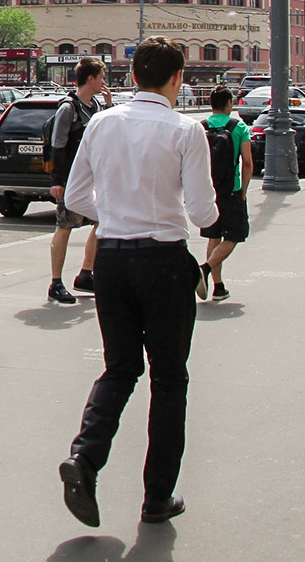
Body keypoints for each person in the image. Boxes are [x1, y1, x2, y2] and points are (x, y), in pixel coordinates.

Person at [57, 38, 217, 529]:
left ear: (132, 77)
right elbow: (204, 212)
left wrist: (119, 215)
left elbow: (76, 194)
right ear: (177, 78)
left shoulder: (102, 122)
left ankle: (84, 459)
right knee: (169, 380)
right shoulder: (186, 130)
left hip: (112, 262)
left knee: (120, 368)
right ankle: (157, 498)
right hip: (165, 263)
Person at [47, 57, 110, 305]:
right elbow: (58, 145)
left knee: (102, 220)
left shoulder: (94, 105)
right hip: (71, 182)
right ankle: (56, 283)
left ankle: (86, 273)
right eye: (102, 77)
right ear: (91, 79)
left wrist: (108, 105)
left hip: (90, 181)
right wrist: (58, 181)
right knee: (64, 227)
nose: (104, 82)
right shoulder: (68, 108)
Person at [200, 86, 254, 302]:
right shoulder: (238, 126)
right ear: (229, 103)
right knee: (234, 235)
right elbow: (248, 162)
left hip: (208, 191)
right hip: (231, 191)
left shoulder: (200, 127)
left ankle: (218, 286)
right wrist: (244, 191)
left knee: (214, 236)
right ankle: (204, 270)